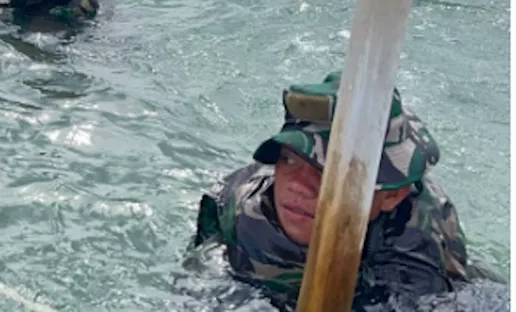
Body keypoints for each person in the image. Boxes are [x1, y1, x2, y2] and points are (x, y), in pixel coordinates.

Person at [190, 73, 471, 308]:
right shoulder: (240, 208)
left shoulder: (413, 245)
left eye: (326, 172)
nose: (298, 185)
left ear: (390, 196)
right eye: (289, 159)